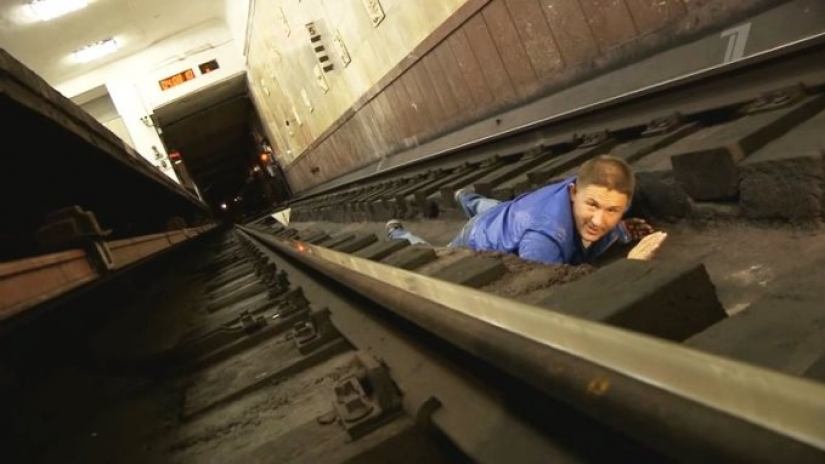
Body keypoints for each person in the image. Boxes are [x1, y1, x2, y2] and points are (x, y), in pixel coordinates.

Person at [386, 155, 667, 265]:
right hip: (478, 236)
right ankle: (399, 233)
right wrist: (629, 266)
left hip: (511, 213)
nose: (599, 219)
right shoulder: (542, 242)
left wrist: (619, 229)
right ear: (573, 193)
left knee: (495, 210)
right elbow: (554, 289)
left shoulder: (584, 183)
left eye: (613, 211)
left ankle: (466, 199)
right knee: (431, 256)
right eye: (592, 205)